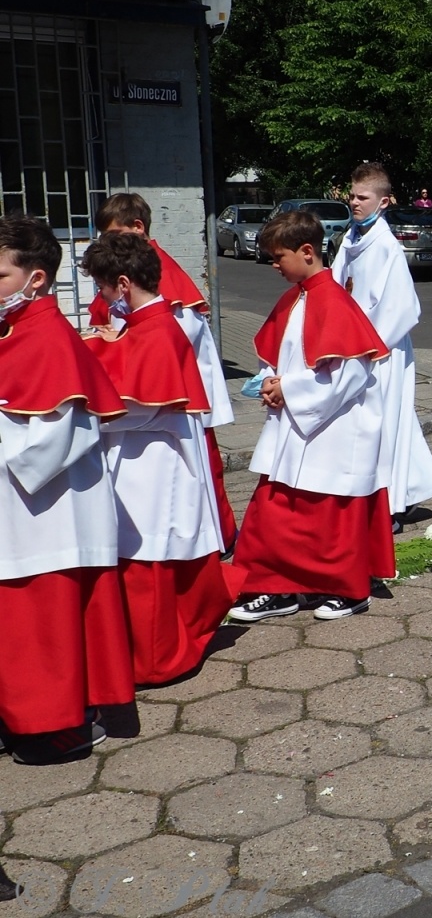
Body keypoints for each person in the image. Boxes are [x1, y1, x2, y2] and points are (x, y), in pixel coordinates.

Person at [0, 216, 133, 763]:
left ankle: (54, 727)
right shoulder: (15, 330)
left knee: (42, 621)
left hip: (42, 514)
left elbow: (64, 433)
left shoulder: (50, 335)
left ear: (34, 280)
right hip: (19, 510)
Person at [80, 234, 239, 684]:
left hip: (154, 464)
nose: (101, 298)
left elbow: (140, 405)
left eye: (103, 288)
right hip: (140, 456)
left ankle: (158, 661)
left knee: (150, 559)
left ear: (124, 284)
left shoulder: (160, 328)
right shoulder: (145, 322)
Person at [229, 211, 393, 623]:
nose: (273, 265)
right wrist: (270, 380)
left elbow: (351, 374)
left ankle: (350, 591)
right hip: (297, 424)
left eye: (278, 256)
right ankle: (279, 587)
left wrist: (291, 390)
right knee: (276, 509)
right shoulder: (297, 296)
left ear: (306, 251)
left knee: (330, 516)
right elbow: (284, 353)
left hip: (333, 428)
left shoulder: (334, 300)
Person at [92, 193, 237, 551]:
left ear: (138, 228)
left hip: (174, 397)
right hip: (142, 395)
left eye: (113, 234)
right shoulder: (122, 271)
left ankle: (219, 542)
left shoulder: (162, 276)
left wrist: (117, 339)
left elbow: (171, 342)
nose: (106, 243)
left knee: (197, 481)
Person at [331, 162, 432, 534]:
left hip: (383, 352)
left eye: (362, 197)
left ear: (383, 202)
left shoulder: (387, 248)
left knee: (386, 424)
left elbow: (404, 309)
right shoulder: (351, 239)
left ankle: (391, 504)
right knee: (382, 425)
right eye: (352, 195)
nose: (354, 203)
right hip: (355, 349)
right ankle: (406, 490)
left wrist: (367, 342)